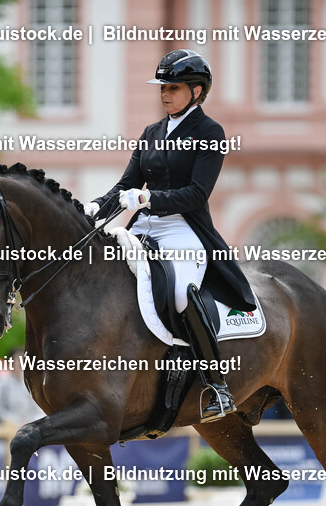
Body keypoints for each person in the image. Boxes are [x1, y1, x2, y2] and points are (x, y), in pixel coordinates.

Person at [87, 49, 256, 423]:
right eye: (163, 87)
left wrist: (149, 197)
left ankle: (216, 385)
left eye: (173, 87)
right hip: (145, 225)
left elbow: (198, 193)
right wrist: (95, 207)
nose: (165, 94)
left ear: (197, 92)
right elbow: (126, 184)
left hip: (184, 227)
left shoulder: (210, 133)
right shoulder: (152, 132)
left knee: (181, 291)